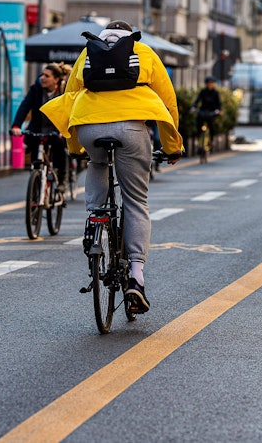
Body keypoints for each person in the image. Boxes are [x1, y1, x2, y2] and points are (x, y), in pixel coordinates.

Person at [41, 20, 183, 315]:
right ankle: (137, 278)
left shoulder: (88, 52)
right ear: (129, 36)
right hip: (132, 127)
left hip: (89, 125)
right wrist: (172, 146)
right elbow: (168, 101)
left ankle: (96, 220)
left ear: (104, 36)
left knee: (96, 161)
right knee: (135, 201)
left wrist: (75, 147)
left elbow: (70, 96)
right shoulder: (143, 52)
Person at [11, 63, 69, 192]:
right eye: (42, 74)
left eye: (47, 76)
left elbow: (69, 111)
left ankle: (62, 178)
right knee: (35, 153)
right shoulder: (35, 89)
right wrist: (16, 125)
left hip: (57, 128)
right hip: (38, 127)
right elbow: (24, 107)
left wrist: (64, 129)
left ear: (56, 79)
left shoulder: (64, 91)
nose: (42, 78)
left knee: (59, 146)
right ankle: (36, 180)